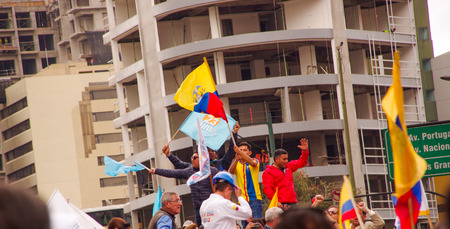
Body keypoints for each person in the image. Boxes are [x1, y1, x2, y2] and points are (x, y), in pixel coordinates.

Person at [149, 150, 218, 226]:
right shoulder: (189, 171)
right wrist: (156, 171)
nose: (192, 159)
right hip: (198, 209)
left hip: (211, 208)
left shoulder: (212, 171)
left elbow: (221, 187)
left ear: (202, 159)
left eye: (194, 157)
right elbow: (172, 173)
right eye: (192, 157)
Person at [262, 138, 309, 209]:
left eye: (287, 159)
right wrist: (276, 202)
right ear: (277, 159)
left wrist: (305, 151)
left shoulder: (289, 166)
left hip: (293, 203)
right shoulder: (268, 172)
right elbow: (267, 189)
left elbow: (302, 162)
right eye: (284, 159)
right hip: (280, 205)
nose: (286, 161)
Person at [229, 142, 263, 228]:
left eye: (245, 150)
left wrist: (239, 152)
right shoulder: (237, 164)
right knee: (245, 226)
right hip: (242, 201)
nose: (242, 152)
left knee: (256, 225)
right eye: (240, 150)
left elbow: (253, 164)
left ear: (250, 153)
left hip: (254, 199)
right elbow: (231, 171)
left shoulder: (254, 161)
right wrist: (236, 159)